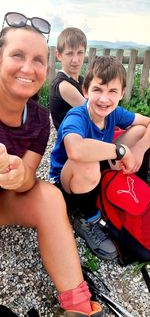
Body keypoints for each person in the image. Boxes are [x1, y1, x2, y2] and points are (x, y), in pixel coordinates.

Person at [0, 13, 104, 317]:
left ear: (47, 68)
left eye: (37, 60)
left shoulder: (38, 118)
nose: (28, 68)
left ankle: (79, 308)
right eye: (17, 55)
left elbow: (30, 178)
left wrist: (18, 176)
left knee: (49, 196)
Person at [50, 56, 150, 261]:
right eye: (98, 90)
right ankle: (86, 218)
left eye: (112, 91)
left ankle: (130, 184)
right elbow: (75, 150)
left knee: (140, 130)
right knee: (87, 162)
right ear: (85, 91)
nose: (104, 99)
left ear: (122, 93)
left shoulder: (114, 112)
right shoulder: (77, 116)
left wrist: (138, 149)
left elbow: (147, 122)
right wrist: (121, 151)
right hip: (67, 181)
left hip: (98, 165)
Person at [49, 27, 86, 131]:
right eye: (69, 53)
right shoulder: (63, 85)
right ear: (59, 55)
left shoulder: (81, 80)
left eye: (80, 52)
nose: (75, 60)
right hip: (72, 142)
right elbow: (94, 113)